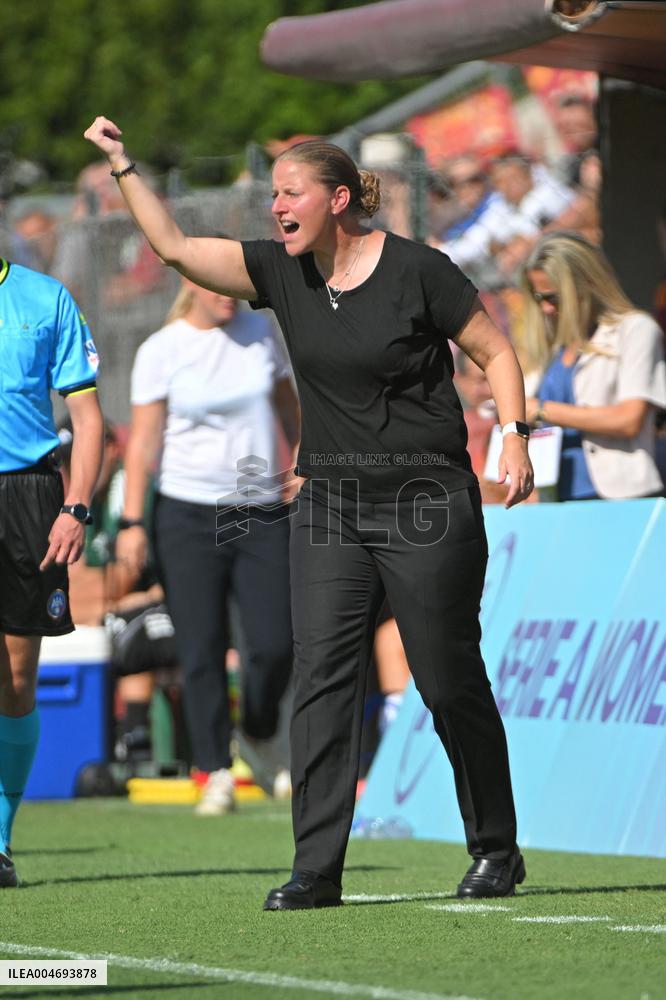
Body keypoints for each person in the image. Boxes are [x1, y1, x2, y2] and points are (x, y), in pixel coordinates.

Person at [84, 116, 534, 907]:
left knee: (445, 676)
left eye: (290, 195)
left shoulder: (419, 271)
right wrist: (124, 165)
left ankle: (496, 846)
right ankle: (316, 868)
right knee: (322, 675)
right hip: (328, 505)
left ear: (336, 199)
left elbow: (495, 352)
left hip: (426, 500)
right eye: (274, 198)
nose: (277, 209)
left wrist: (516, 437)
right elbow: (178, 251)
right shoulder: (282, 271)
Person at [116, 275, 299, 815]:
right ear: (192, 285)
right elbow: (143, 442)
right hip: (186, 512)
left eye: (234, 287)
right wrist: (130, 521)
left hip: (259, 506)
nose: (228, 296)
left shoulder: (261, 332)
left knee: (274, 644)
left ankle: (260, 732)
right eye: (217, 287)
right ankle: (214, 768)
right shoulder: (163, 349)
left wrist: (304, 464)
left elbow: (291, 412)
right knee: (200, 647)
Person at [0, 256, 103, 887]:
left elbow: (88, 420)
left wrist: (75, 507)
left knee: (15, 675)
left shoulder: (45, 299)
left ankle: (1, 840)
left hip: (29, 499)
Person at [522, 232, 666, 500]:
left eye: (552, 297)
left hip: (618, 496)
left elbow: (629, 419)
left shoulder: (635, 331)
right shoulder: (554, 348)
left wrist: (541, 410)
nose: (545, 309)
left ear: (586, 285)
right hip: (553, 499)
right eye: (538, 297)